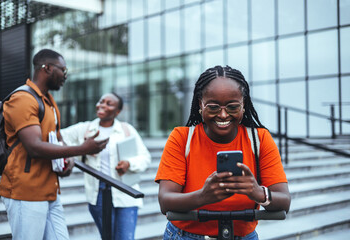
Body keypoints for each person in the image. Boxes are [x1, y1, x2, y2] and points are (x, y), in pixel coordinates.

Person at [155, 65, 291, 239]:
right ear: (200, 104)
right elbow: (165, 201)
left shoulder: (260, 139)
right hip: (185, 235)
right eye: (213, 107)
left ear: (243, 106)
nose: (223, 115)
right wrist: (203, 196)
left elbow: (284, 202)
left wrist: (257, 192)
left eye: (232, 107)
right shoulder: (181, 138)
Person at [0, 49, 109, 240]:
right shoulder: (23, 99)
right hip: (26, 191)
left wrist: (69, 160)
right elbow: (35, 146)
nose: (65, 76)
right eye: (63, 70)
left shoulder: (48, 100)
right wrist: (82, 149)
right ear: (47, 68)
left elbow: (55, 138)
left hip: (49, 190)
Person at [60, 92, 151, 240]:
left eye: (109, 104)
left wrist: (129, 164)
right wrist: (80, 150)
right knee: (108, 237)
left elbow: (145, 157)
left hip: (125, 193)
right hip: (98, 193)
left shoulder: (126, 130)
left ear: (118, 111)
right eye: (101, 101)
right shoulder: (85, 129)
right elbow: (59, 137)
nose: (102, 105)